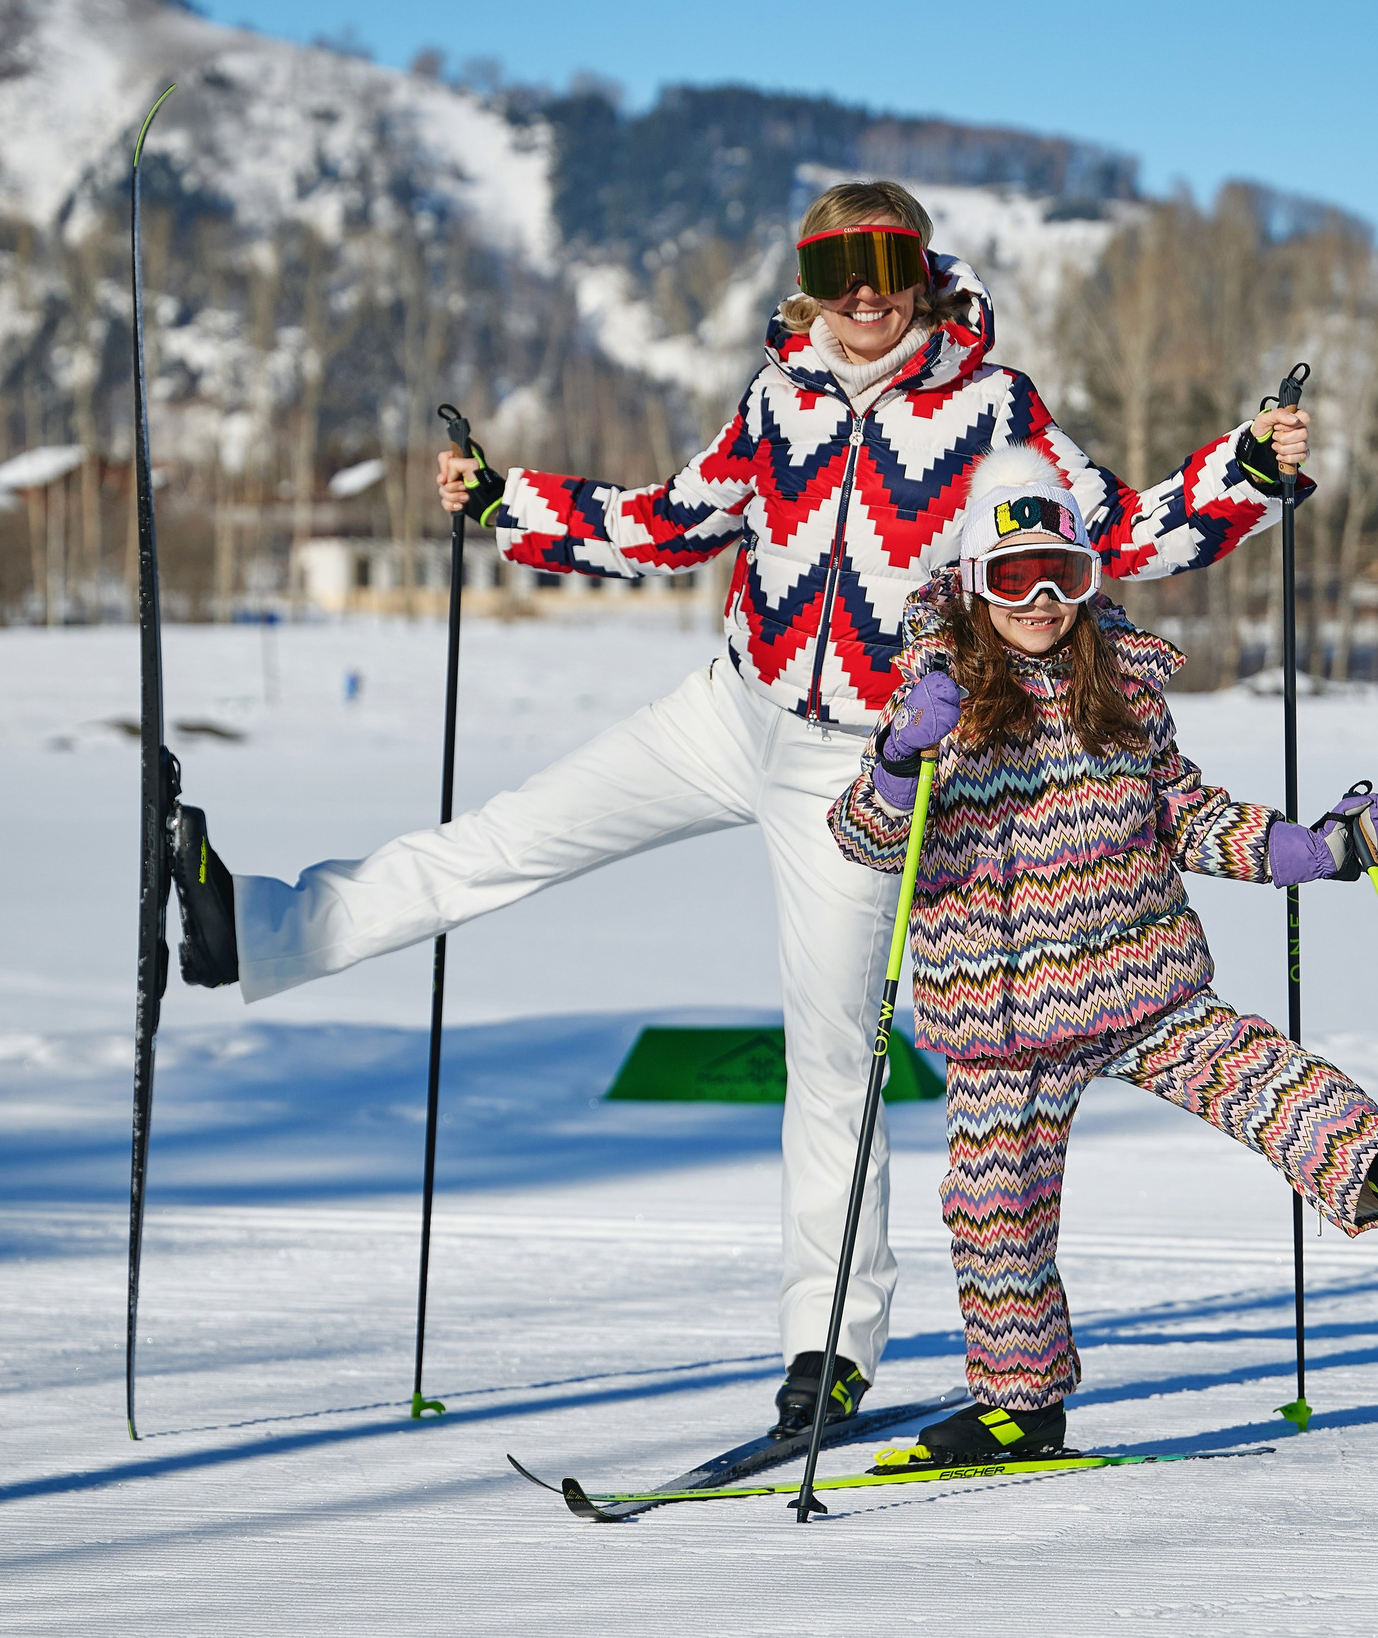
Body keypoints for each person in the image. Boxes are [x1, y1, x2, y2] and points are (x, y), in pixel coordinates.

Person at [165, 179, 1314, 1439]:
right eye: (837, 268)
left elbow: (1124, 531)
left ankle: (828, 1348)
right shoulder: (780, 397)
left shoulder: (994, 411)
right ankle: (257, 934)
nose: (864, 292)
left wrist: (1245, 471)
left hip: (866, 769)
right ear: (808, 283)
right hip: (732, 704)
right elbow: (672, 521)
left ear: (926, 270)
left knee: (833, 1059)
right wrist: (510, 505)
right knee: (507, 838)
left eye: (888, 262)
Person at [825, 446, 1378, 1467]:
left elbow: (1185, 814)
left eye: (1063, 575)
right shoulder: (930, 698)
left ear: (1088, 577)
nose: (1039, 600)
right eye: (1012, 577)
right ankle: (1019, 1407)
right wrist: (902, 761)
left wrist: (1315, 850)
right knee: (993, 1215)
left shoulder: (1119, 688)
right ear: (971, 583)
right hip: (1000, 1026)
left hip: (1140, 981)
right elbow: (862, 839)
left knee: (1254, 1071)